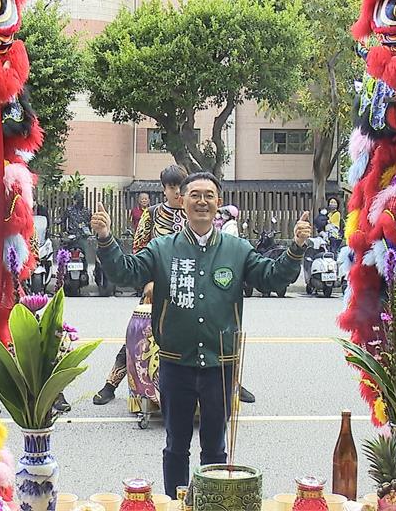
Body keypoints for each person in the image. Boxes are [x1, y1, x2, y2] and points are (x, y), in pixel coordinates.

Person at [92, 172, 310, 498]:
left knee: (215, 448)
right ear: (183, 201)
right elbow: (126, 271)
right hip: (174, 364)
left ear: (218, 203)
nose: (202, 201)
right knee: (175, 446)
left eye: (209, 195)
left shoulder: (237, 250)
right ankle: (175, 502)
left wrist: (296, 247)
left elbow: (271, 277)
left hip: (220, 367)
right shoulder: (162, 249)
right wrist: (106, 239)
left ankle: (214, 503)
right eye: (195, 195)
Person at [94, 165, 187, 406]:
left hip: (189, 287)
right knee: (138, 337)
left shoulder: (194, 212)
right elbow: (138, 249)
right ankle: (110, 384)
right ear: (164, 189)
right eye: (172, 187)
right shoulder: (153, 214)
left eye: (180, 186)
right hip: (156, 287)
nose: (177, 192)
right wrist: (149, 282)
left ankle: (232, 384)